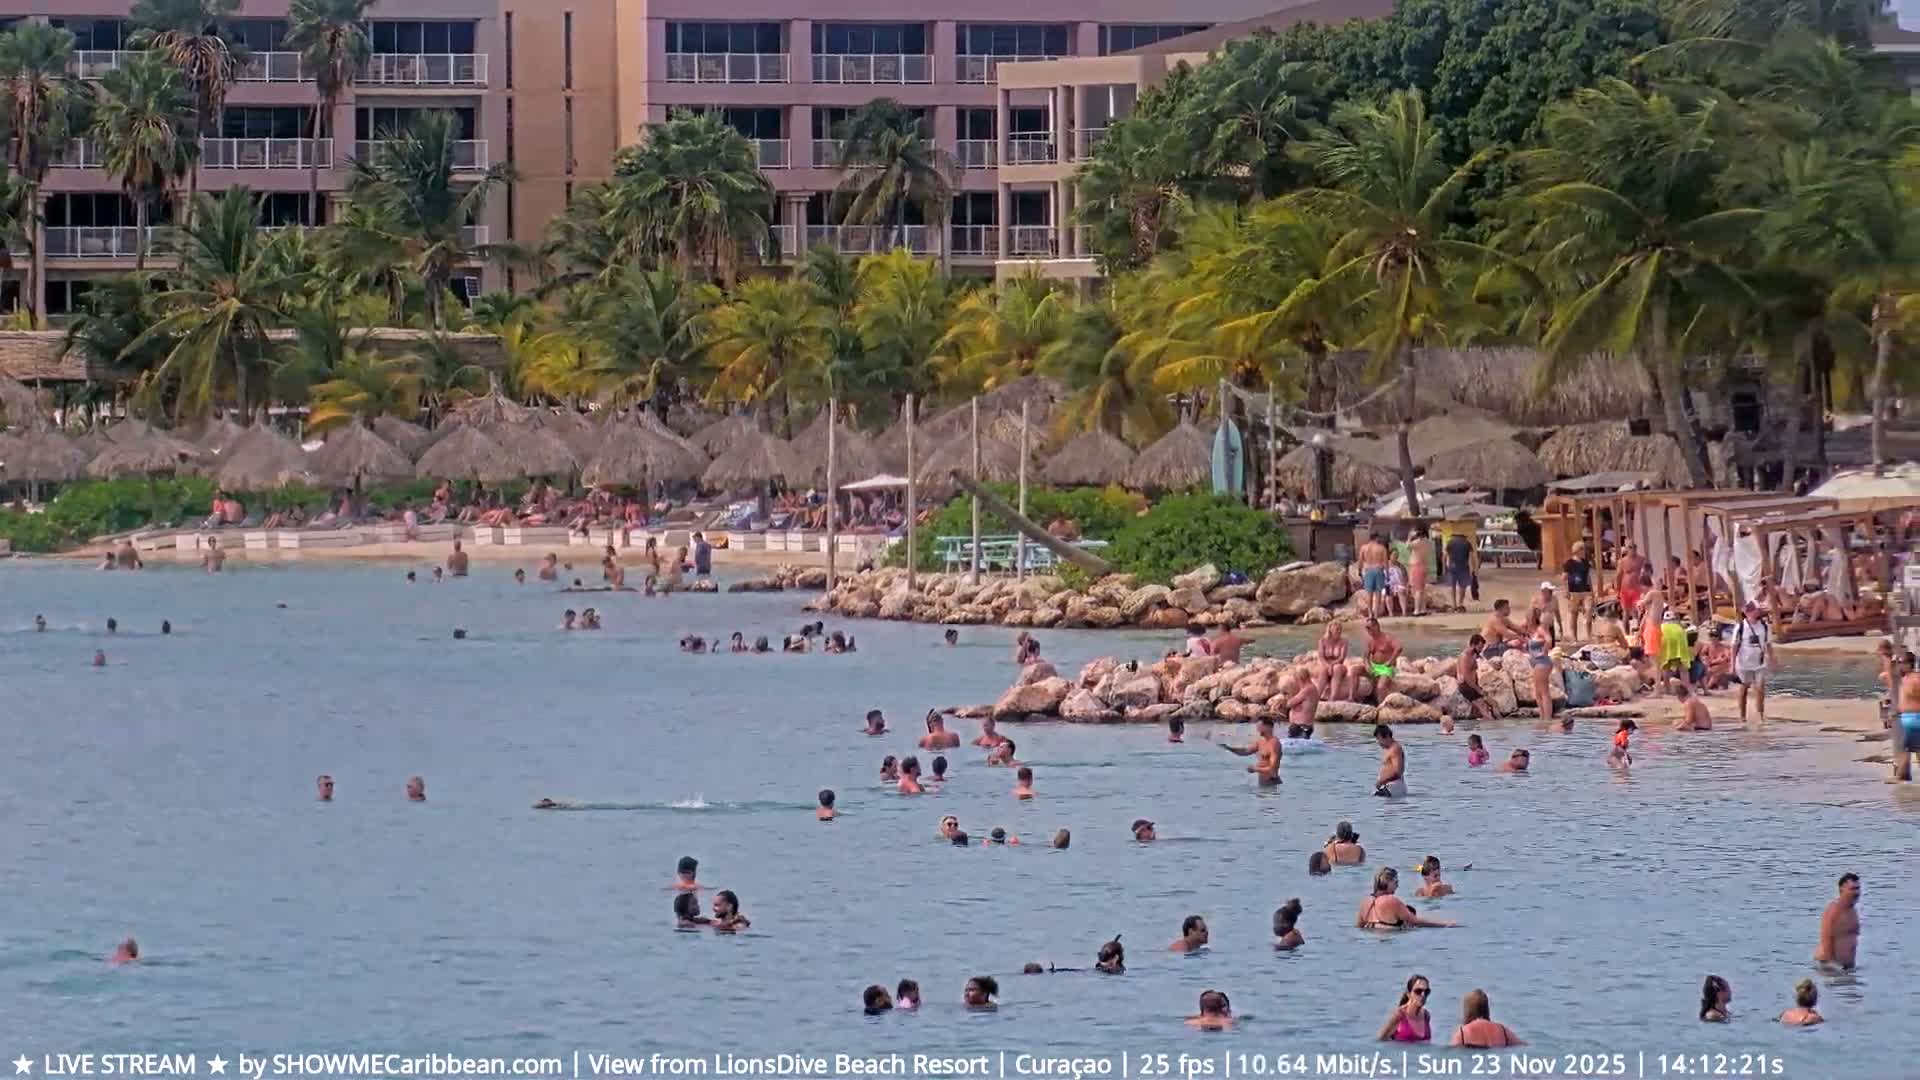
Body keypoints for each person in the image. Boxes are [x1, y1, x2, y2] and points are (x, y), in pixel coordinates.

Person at [1357, 868, 1456, 929]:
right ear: (1388, 882)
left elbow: (1359, 927)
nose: (1398, 886)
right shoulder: (1391, 900)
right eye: (1396, 882)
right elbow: (1416, 921)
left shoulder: (1365, 902)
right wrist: (1445, 925)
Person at [1814, 872, 1860, 971]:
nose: (1857, 892)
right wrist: (1835, 966)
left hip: (1846, 968)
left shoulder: (1853, 910)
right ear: (1841, 889)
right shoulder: (1833, 910)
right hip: (1830, 967)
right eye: (1852, 889)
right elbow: (1826, 938)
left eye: (1858, 888)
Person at [1449, 990, 1523, 1047]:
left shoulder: (1463, 1033)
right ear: (1486, 1008)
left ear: (1467, 1010)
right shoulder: (1503, 1030)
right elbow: (1523, 1046)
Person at [1222, 717, 1282, 786]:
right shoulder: (1260, 741)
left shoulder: (1274, 743)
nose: (1257, 730)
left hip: (1271, 782)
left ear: (1268, 727)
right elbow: (1245, 751)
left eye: (1259, 727)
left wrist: (1255, 769)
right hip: (1263, 782)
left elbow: (1272, 768)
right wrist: (1229, 748)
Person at [1376, 974, 1432, 1042]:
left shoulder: (1426, 1015)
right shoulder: (1399, 1014)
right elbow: (1380, 1041)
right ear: (1409, 994)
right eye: (1418, 991)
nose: (1423, 995)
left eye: (1426, 992)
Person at [1458, 635, 1496, 724]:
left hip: (1474, 685)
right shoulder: (1465, 657)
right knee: (1483, 708)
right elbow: (1466, 677)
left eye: (1482, 648)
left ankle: (1498, 726)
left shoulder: (1474, 655)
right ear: (1473, 645)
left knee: (1494, 704)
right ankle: (1494, 729)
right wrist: (1478, 690)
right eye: (1480, 647)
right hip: (1467, 686)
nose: (1481, 650)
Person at [1362, 618, 1401, 703]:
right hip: (1374, 667)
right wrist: (1367, 665)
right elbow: (1365, 657)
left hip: (1386, 668)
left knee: (1380, 687)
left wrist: (1391, 660)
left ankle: (1380, 707)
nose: (1367, 630)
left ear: (1376, 626)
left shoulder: (1387, 637)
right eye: (1366, 628)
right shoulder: (1370, 641)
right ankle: (1350, 697)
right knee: (1354, 670)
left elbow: (1399, 648)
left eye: (1369, 627)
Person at [1526, 614, 1556, 719]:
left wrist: (1544, 652)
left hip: (1542, 662)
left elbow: (1549, 640)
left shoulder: (1542, 630)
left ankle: (1547, 718)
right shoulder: (1540, 629)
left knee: (1543, 691)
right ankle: (1542, 716)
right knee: (1538, 691)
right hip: (1538, 662)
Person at [1562, 542, 1594, 642]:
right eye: (1582, 549)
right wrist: (1566, 590)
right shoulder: (1569, 563)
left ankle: (1589, 636)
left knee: (1588, 611)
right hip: (1573, 592)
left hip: (1585, 591)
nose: (1584, 551)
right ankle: (1574, 637)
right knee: (1573, 614)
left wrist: (1592, 590)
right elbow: (1564, 578)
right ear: (1577, 550)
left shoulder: (1585, 562)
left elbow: (1588, 577)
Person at [1315, 620, 1352, 701]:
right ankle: (1317, 696)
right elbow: (1321, 657)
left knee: (1337, 668)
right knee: (1323, 669)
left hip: (1339, 664)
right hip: (1325, 664)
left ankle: (1333, 697)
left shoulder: (1344, 641)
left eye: (1340, 629)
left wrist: (1332, 665)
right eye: (1337, 630)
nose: (1339, 631)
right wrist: (1328, 666)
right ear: (1330, 630)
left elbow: (1342, 658)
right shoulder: (1322, 641)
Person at [1898, 656, 1920, 783]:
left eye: (1901, 663)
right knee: (1914, 750)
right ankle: (1904, 779)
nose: (1899, 666)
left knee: (1906, 751)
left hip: (1913, 719)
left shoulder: (1914, 678)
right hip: (1909, 718)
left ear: (1909, 664)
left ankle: (1902, 780)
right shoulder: (1906, 678)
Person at [1358, 533, 1391, 618]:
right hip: (1378, 570)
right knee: (1378, 593)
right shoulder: (1381, 548)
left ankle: (1370, 614)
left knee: (1369, 593)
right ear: (1376, 538)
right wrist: (1387, 574)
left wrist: (1359, 571)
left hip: (1368, 570)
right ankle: (1376, 613)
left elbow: (1360, 561)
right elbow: (1386, 562)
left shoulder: (1364, 548)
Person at [1443, 530, 1475, 611]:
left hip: (1452, 566)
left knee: (1452, 585)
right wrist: (1472, 569)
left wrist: (1444, 567)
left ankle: (1454, 604)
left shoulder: (1450, 542)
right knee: (1462, 586)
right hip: (1464, 567)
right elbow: (1471, 558)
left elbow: (1445, 556)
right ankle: (1460, 604)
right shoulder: (1467, 543)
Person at [1373, 724, 1406, 798]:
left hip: (1394, 787)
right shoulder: (1389, 749)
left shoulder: (1395, 749)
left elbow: (1398, 772)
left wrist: (1381, 781)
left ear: (1387, 736)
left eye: (1379, 739)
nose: (1378, 742)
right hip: (1390, 787)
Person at [1406, 529, 1430, 616]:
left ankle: (1417, 610)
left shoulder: (1418, 542)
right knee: (1422, 589)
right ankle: (1423, 609)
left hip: (1416, 566)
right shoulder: (1427, 542)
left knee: (1417, 590)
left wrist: (1409, 536)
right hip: (1424, 565)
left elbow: (1407, 546)